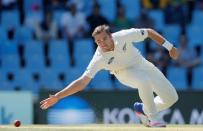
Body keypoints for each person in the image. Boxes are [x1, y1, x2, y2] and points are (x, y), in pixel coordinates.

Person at [40, 25, 179, 127]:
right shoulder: (99, 58)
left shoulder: (124, 35)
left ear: (111, 36)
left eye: (104, 39)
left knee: (172, 97)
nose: (102, 43)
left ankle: (142, 109)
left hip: (143, 65)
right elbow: (82, 82)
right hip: (124, 73)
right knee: (143, 81)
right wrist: (58, 96)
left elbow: (148, 32)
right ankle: (153, 119)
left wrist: (170, 47)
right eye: (98, 41)